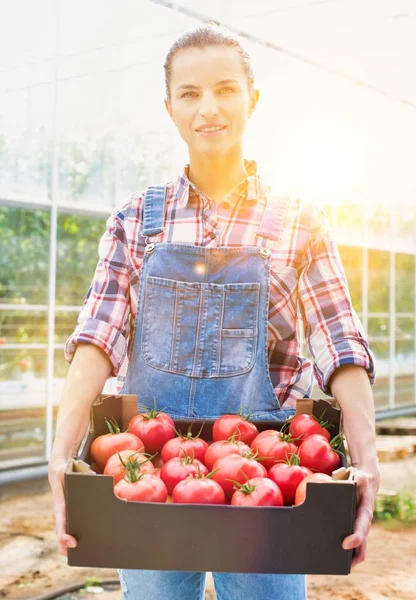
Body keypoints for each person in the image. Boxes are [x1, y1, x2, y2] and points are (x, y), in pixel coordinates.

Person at [48, 24, 381, 600]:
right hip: (146, 469)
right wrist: (61, 451)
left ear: (252, 99)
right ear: (170, 108)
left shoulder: (298, 219)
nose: (209, 109)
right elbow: (98, 336)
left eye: (226, 89)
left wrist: (368, 459)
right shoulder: (135, 219)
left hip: (270, 476)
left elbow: (339, 340)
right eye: (190, 93)